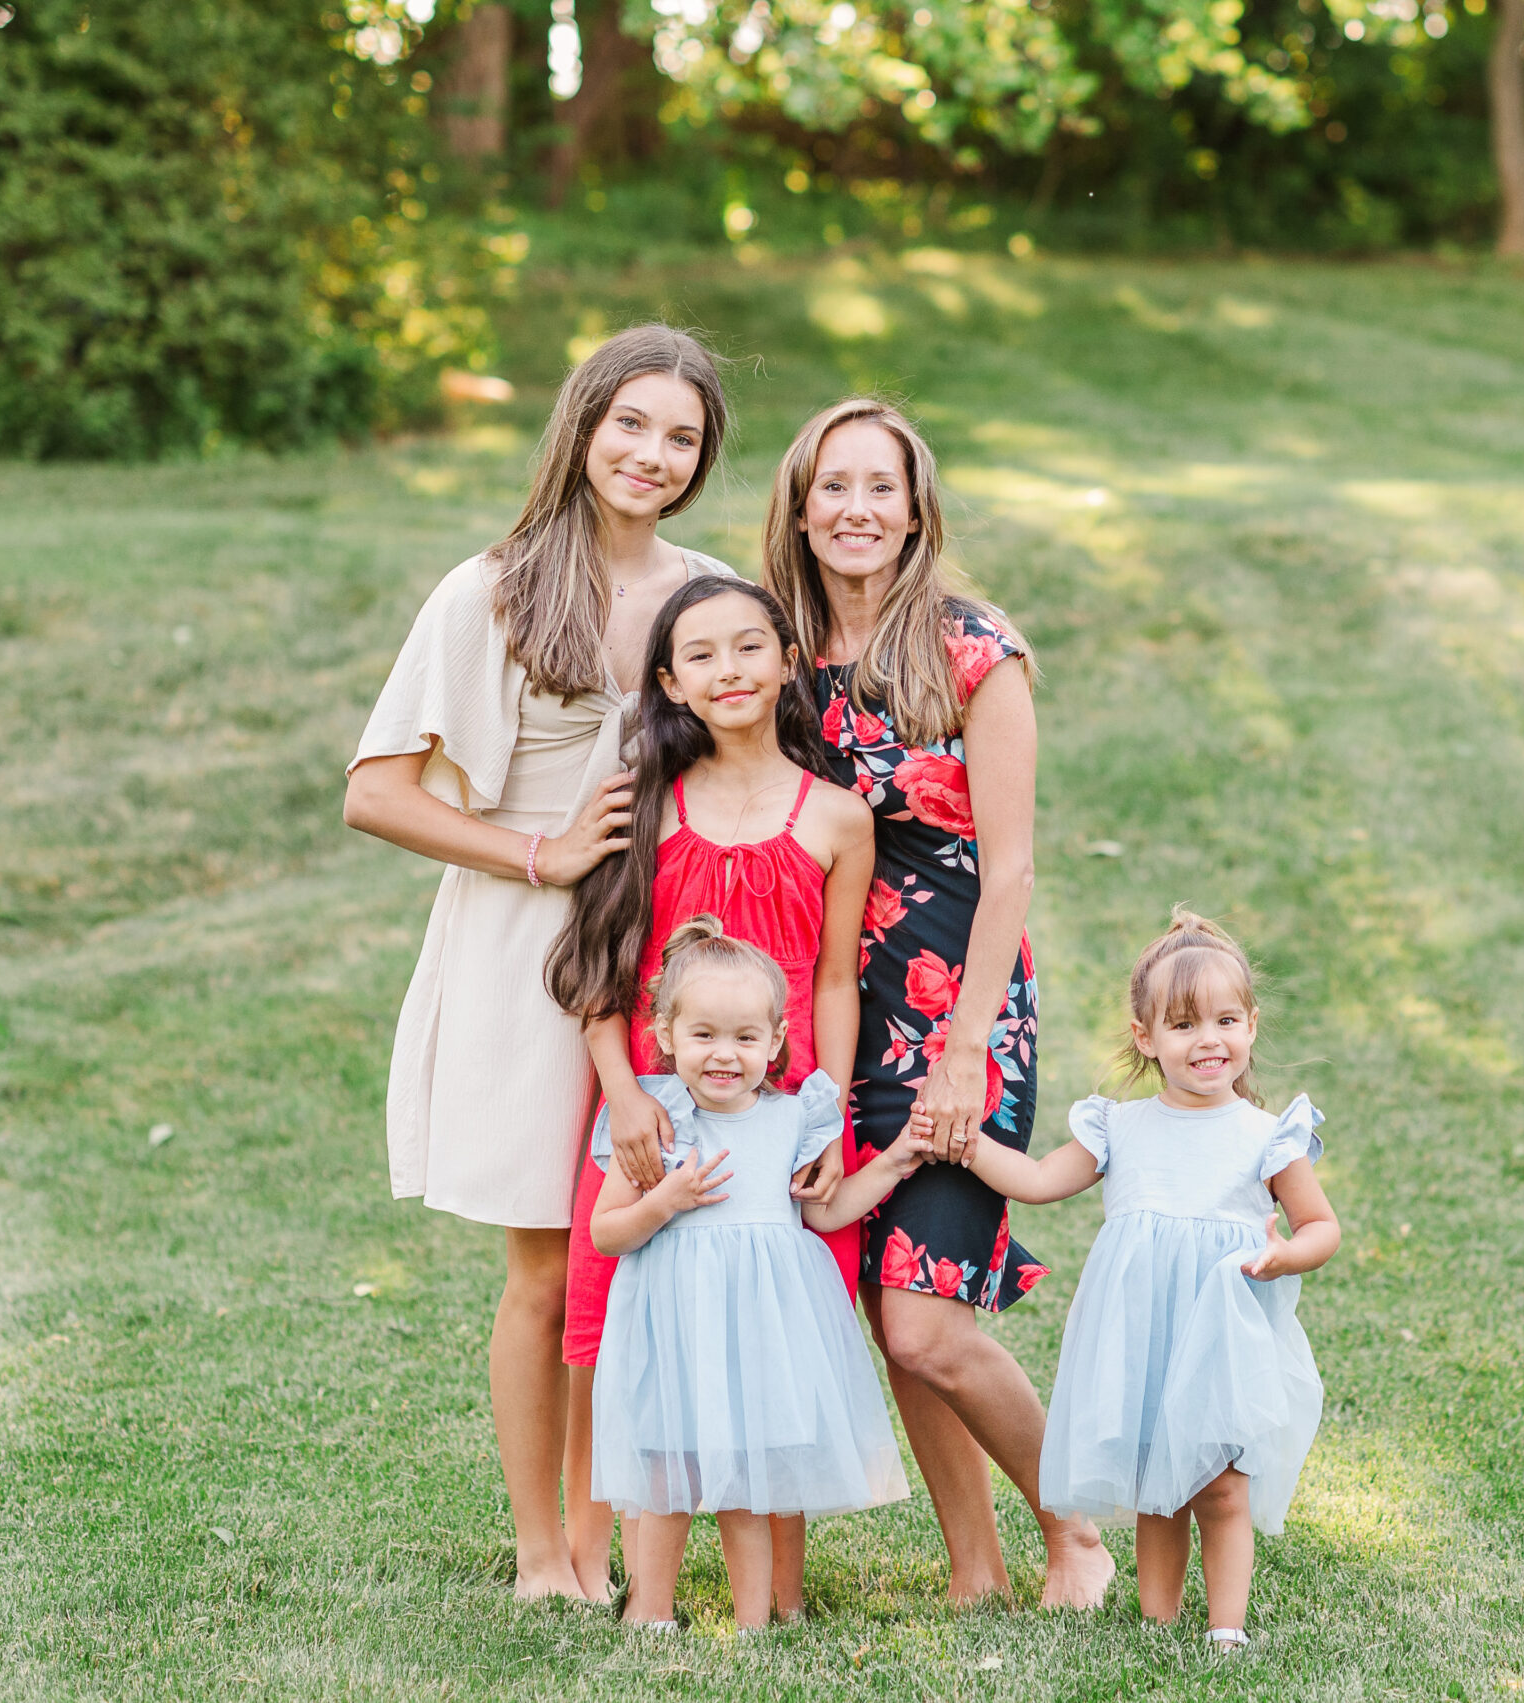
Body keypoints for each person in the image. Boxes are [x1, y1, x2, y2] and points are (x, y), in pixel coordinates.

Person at [341, 325, 734, 1600]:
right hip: (528, 948)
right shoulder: (495, 588)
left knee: (635, 1252)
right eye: (632, 424)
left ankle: (610, 1525)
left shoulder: (708, 592)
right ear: (582, 425)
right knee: (547, 1260)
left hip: (672, 966)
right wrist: (539, 854)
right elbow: (377, 793)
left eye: (680, 437)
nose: (652, 455)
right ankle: (541, 1551)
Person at [761, 396, 1113, 1609]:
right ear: (799, 508)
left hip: (961, 1010)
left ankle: (1074, 1528)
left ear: (916, 509)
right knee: (884, 1293)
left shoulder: (973, 648)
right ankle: (975, 1570)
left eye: (880, 487)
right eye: (833, 487)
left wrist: (965, 1048)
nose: (857, 510)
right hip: (833, 1015)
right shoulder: (783, 657)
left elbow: (1008, 866)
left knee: (925, 1317)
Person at [546, 575, 876, 1605]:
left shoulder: (836, 814)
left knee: (777, 1342)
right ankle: (601, 1565)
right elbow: (597, 964)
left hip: (781, 1115)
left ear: (788, 659)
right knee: (625, 1327)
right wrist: (623, 1095)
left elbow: (832, 979)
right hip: (654, 1106)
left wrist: (834, 1112)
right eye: (700, 653)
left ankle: (776, 1586)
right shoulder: (641, 801)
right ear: (668, 680)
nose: (728, 669)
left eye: (749, 647)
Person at [943, 910, 1337, 1649]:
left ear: (1251, 1025)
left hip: (1220, 1329)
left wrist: (1286, 1254)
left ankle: (1226, 1628)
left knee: (1221, 1482)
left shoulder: (1265, 1135)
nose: (1208, 1040)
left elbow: (1323, 1226)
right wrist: (966, 1147)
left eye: (1225, 1019)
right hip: (1144, 1330)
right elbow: (1032, 1180)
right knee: (1161, 1484)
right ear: (1145, 1037)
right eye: (1184, 1024)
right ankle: (1158, 1621)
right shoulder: (1120, 1127)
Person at [585, 920, 922, 1630]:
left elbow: (825, 1215)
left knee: (751, 1480)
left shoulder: (793, 1118)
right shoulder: (658, 1121)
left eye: (745, 1037)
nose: (724, 1054)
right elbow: (605, 1231)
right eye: (704, 1034)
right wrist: (662, 1201)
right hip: (676, 1327)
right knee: (667, 1476)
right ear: (667, 1035)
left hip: (763, 1327)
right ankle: (651, 1614)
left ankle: (755, 1623)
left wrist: (889, 1164)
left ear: (774, 1042)